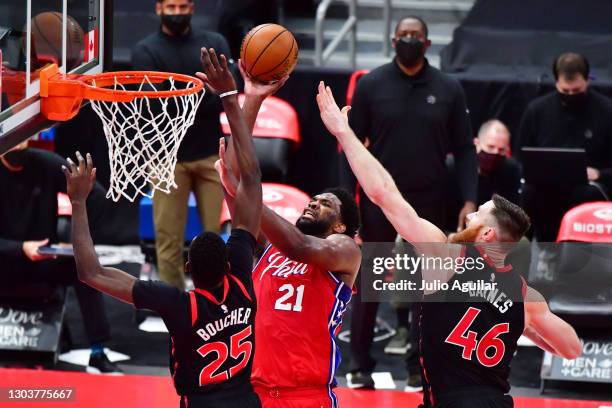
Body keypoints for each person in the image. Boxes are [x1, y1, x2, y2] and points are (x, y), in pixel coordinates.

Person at [317, 81, 582, 407]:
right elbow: (572, 348)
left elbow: (383, 193)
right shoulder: (525, 296)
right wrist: (522, 326)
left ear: (486, 236)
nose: (468, 219)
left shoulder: (447, 257)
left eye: (477, 217)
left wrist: (344, 134)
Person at [64, 48, 263, 407]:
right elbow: (251, 179)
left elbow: (89, 272)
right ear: (230, 264)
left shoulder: (178, 304)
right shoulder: (243, 285)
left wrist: (78, 204)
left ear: (187, 269)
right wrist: (230, 98)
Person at [342, 15, 478, 390]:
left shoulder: (449, 88)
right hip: (379, 199)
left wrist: (469, 198)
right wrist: (346, 203)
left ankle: (420, 366)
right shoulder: (371, 85)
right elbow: (350, 147)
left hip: (429, 199)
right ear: (392, 40)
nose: (409, 40)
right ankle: (358, 365)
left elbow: (465, 149)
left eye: (415, 36)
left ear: (428, 43)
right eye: (403, 35)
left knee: (428, 285)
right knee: (370, 279)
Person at [216, 66, 362, 408]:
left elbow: (298, 245)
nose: (314, 202)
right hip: (252, 390)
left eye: (326, 204)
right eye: (314, 199)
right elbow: (237, 175)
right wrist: (249, 99)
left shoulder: (344, 250)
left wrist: (243, 194)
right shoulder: (267, 249)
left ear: (341, 225)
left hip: (306, 396)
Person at [131, 0, 232, 290]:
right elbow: (156, 105)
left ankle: (215, 300)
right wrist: (206, 93)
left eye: (183, 6)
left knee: (217, 238)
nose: (177, 13)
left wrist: (185, 95)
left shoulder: (213, 43)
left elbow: (229, 90)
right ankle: (175, 308)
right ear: (159, 8)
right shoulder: (145, 50)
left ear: (192, 7)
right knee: (168, 240)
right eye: (171, 7)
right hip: (166, 158)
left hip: (212, 155)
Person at [0, 141, 120, 374]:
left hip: (45, 260)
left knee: (85, 268)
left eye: (23, 143)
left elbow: (96, 195)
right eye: (13, 146)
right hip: (5, 261)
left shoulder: (45, 163)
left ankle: (98, 351)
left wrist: (80, 240)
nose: (18, 149)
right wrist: (21, 248)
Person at [517, 52, 612, 241]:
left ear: (587, 80)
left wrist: (599, 174)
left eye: (576, 91)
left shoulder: (607, 111)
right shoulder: (537, 110)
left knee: (585, 194)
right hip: (546, 185)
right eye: (565, 91)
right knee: (530, 193)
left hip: (591, 185)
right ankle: (539, 251)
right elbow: (521, 157)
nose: (570, 96)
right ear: (556, 83)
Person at [448, 120, 521, 212]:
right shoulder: (453, 167)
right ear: (476, 143)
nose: (495, 153)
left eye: (501, 149)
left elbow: (513, 212)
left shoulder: (511, 170)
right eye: (490, 147)